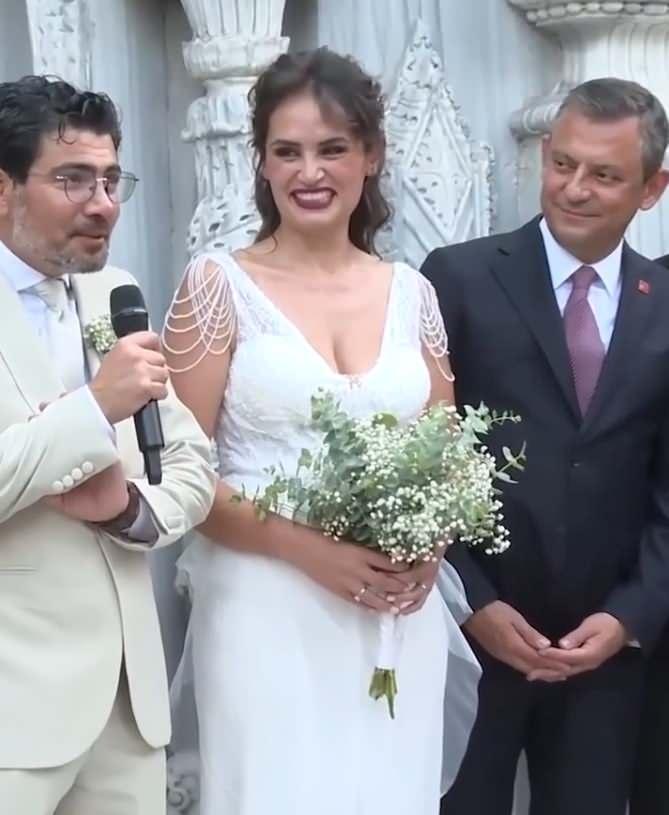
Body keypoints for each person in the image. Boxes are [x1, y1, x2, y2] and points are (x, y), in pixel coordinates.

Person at [163, 47, 479, 815]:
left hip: (393, 618)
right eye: (287, 151)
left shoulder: (412, 292)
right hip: (262, 606)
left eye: (332, 148)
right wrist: (310, 550)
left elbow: (445, 456)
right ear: (262, 164)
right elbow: (179, 469)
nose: (309, 172)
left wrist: (428, 549)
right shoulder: (217, 285)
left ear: (370, 155)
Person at [422, 77, 669, 815]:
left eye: (604, 175)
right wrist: (473, 603)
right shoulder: (457, 278)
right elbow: (424, 460)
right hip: (471, 639)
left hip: (607, 657)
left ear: (651, 189)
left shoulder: (664, 303)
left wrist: (629, 616)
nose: (574, 188)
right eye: (562, 164)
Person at [0, 75, 216, 814]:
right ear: (3, 188)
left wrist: (127, 508)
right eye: (72, 180)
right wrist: (95, 409)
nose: (103, 203)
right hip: (12, 711)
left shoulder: (113, 292)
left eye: (110, 180)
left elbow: (192, 466)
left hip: (128, 709)